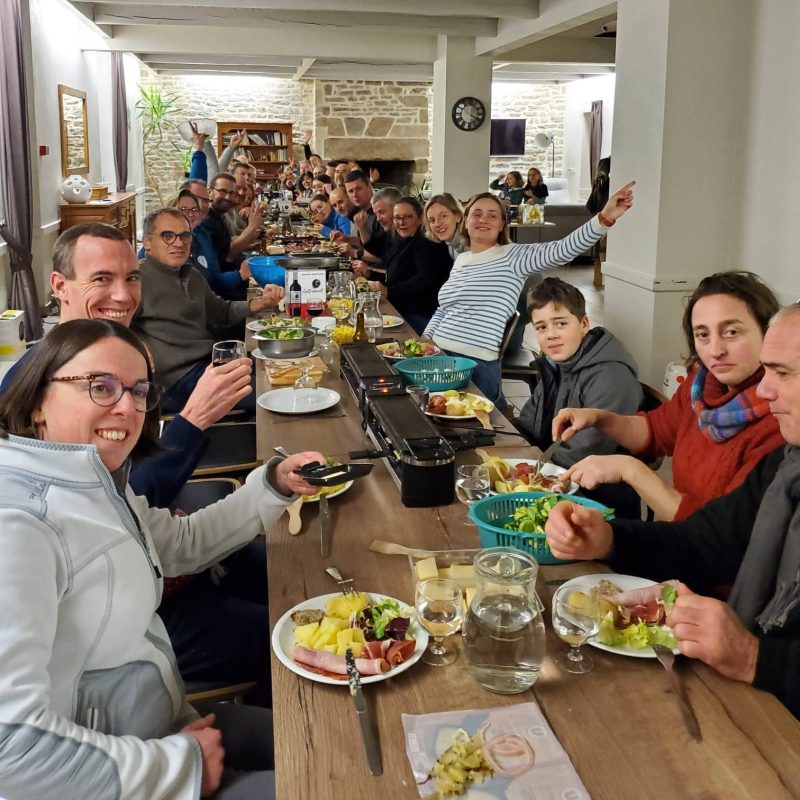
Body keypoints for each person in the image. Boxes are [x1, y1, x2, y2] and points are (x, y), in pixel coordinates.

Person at [0, 318, 325, 798]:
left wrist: (271, 486)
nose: (127, 406)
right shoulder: (20, 525)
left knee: (328, 740)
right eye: (100, 387)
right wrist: (177, 766)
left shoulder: (93, 484)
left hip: (162, 726)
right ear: (36, 403)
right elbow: (13, 750)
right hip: (115, 772)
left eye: (138, 390)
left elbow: (180, 544)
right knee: (332, 777)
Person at [544, 303, 800, 720]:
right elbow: (705, 540)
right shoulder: (789, 463)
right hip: (743, 689)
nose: (766, 390)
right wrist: (610, 538)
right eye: (702, 335)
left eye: (784, 374)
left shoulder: (773, 440)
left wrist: (756, 657)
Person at [554, 272, 783, 521]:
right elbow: (655, 430)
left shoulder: (780, 420)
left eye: (731, 332)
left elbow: (716, 532)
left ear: (767, 333)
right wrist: (599, 418)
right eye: (703, 335)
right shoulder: (703, 385)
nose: (716, 350)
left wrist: (630, 470)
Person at [423, 183, 635, 409]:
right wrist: (425, 340)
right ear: (466, 222)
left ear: (502, 224)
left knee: (478, 431)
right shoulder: (462, 260)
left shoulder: (513, 257)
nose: (483, 219)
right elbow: (444, 309)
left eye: (492, 215)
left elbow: (564, 249)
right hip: (440, 357)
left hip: (476, 364)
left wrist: (604, 218)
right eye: (476, 214)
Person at [132, 208, 283, 414]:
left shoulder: (191, 274)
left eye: (185, 236)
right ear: (147, 243)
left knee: (281, 364)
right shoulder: (136, 281)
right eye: (168, 236)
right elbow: (107, 328)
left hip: (210, 364)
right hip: (176, 382)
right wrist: (135, 345)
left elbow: (221, 312)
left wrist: (261, 303)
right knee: (271, 389)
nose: (178, 243)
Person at [516, 277, 642, 467]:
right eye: (541, 327)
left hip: (597, 489)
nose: (551, 334)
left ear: (584, 324)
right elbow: (527, 425)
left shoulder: (611, 378)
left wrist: (525, 471)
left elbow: (581, 455)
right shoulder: (557, 365)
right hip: (554, 471)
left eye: (561, 324)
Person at [364, 196, 453, 334]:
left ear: (420, 218)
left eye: (407, 217)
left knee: (370, 326)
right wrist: (371, 274)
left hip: (422, 314)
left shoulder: (426, 242)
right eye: (397, 218)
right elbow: (397, 276)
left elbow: (424, 281)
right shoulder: (402, 239)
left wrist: (390, 292)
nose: (401, 222)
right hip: (404, 307)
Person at [424, 193, 467, 260]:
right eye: (432, 220)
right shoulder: (451, 246)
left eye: (444, 216)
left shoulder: (472, 244)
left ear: (458, 216)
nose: (437, 224)